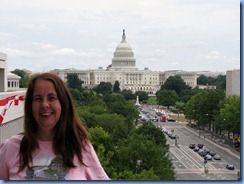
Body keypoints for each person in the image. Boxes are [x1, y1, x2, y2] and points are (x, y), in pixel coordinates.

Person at [0, 72, 110, 180]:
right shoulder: (10, 148)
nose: (44, 105)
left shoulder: (81, 148)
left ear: (63, 104)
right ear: (30, 106)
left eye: (51, 98)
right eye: (38, 99)